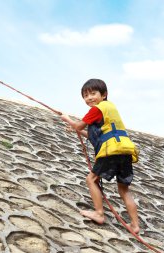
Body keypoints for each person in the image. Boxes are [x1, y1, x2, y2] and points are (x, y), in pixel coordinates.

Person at [60, 78, 140, 234]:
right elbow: (96, 136)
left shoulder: (96, 110)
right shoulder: (110, 108)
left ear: (104, 95)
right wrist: (78, 131)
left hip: (110, 151)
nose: (89, 98)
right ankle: (135, 225)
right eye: (85, 95)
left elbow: (78, 125)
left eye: (93, 93)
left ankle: (99, 213)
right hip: (124, 150)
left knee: (91, 179)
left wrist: (67, 119)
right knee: (124, 189)